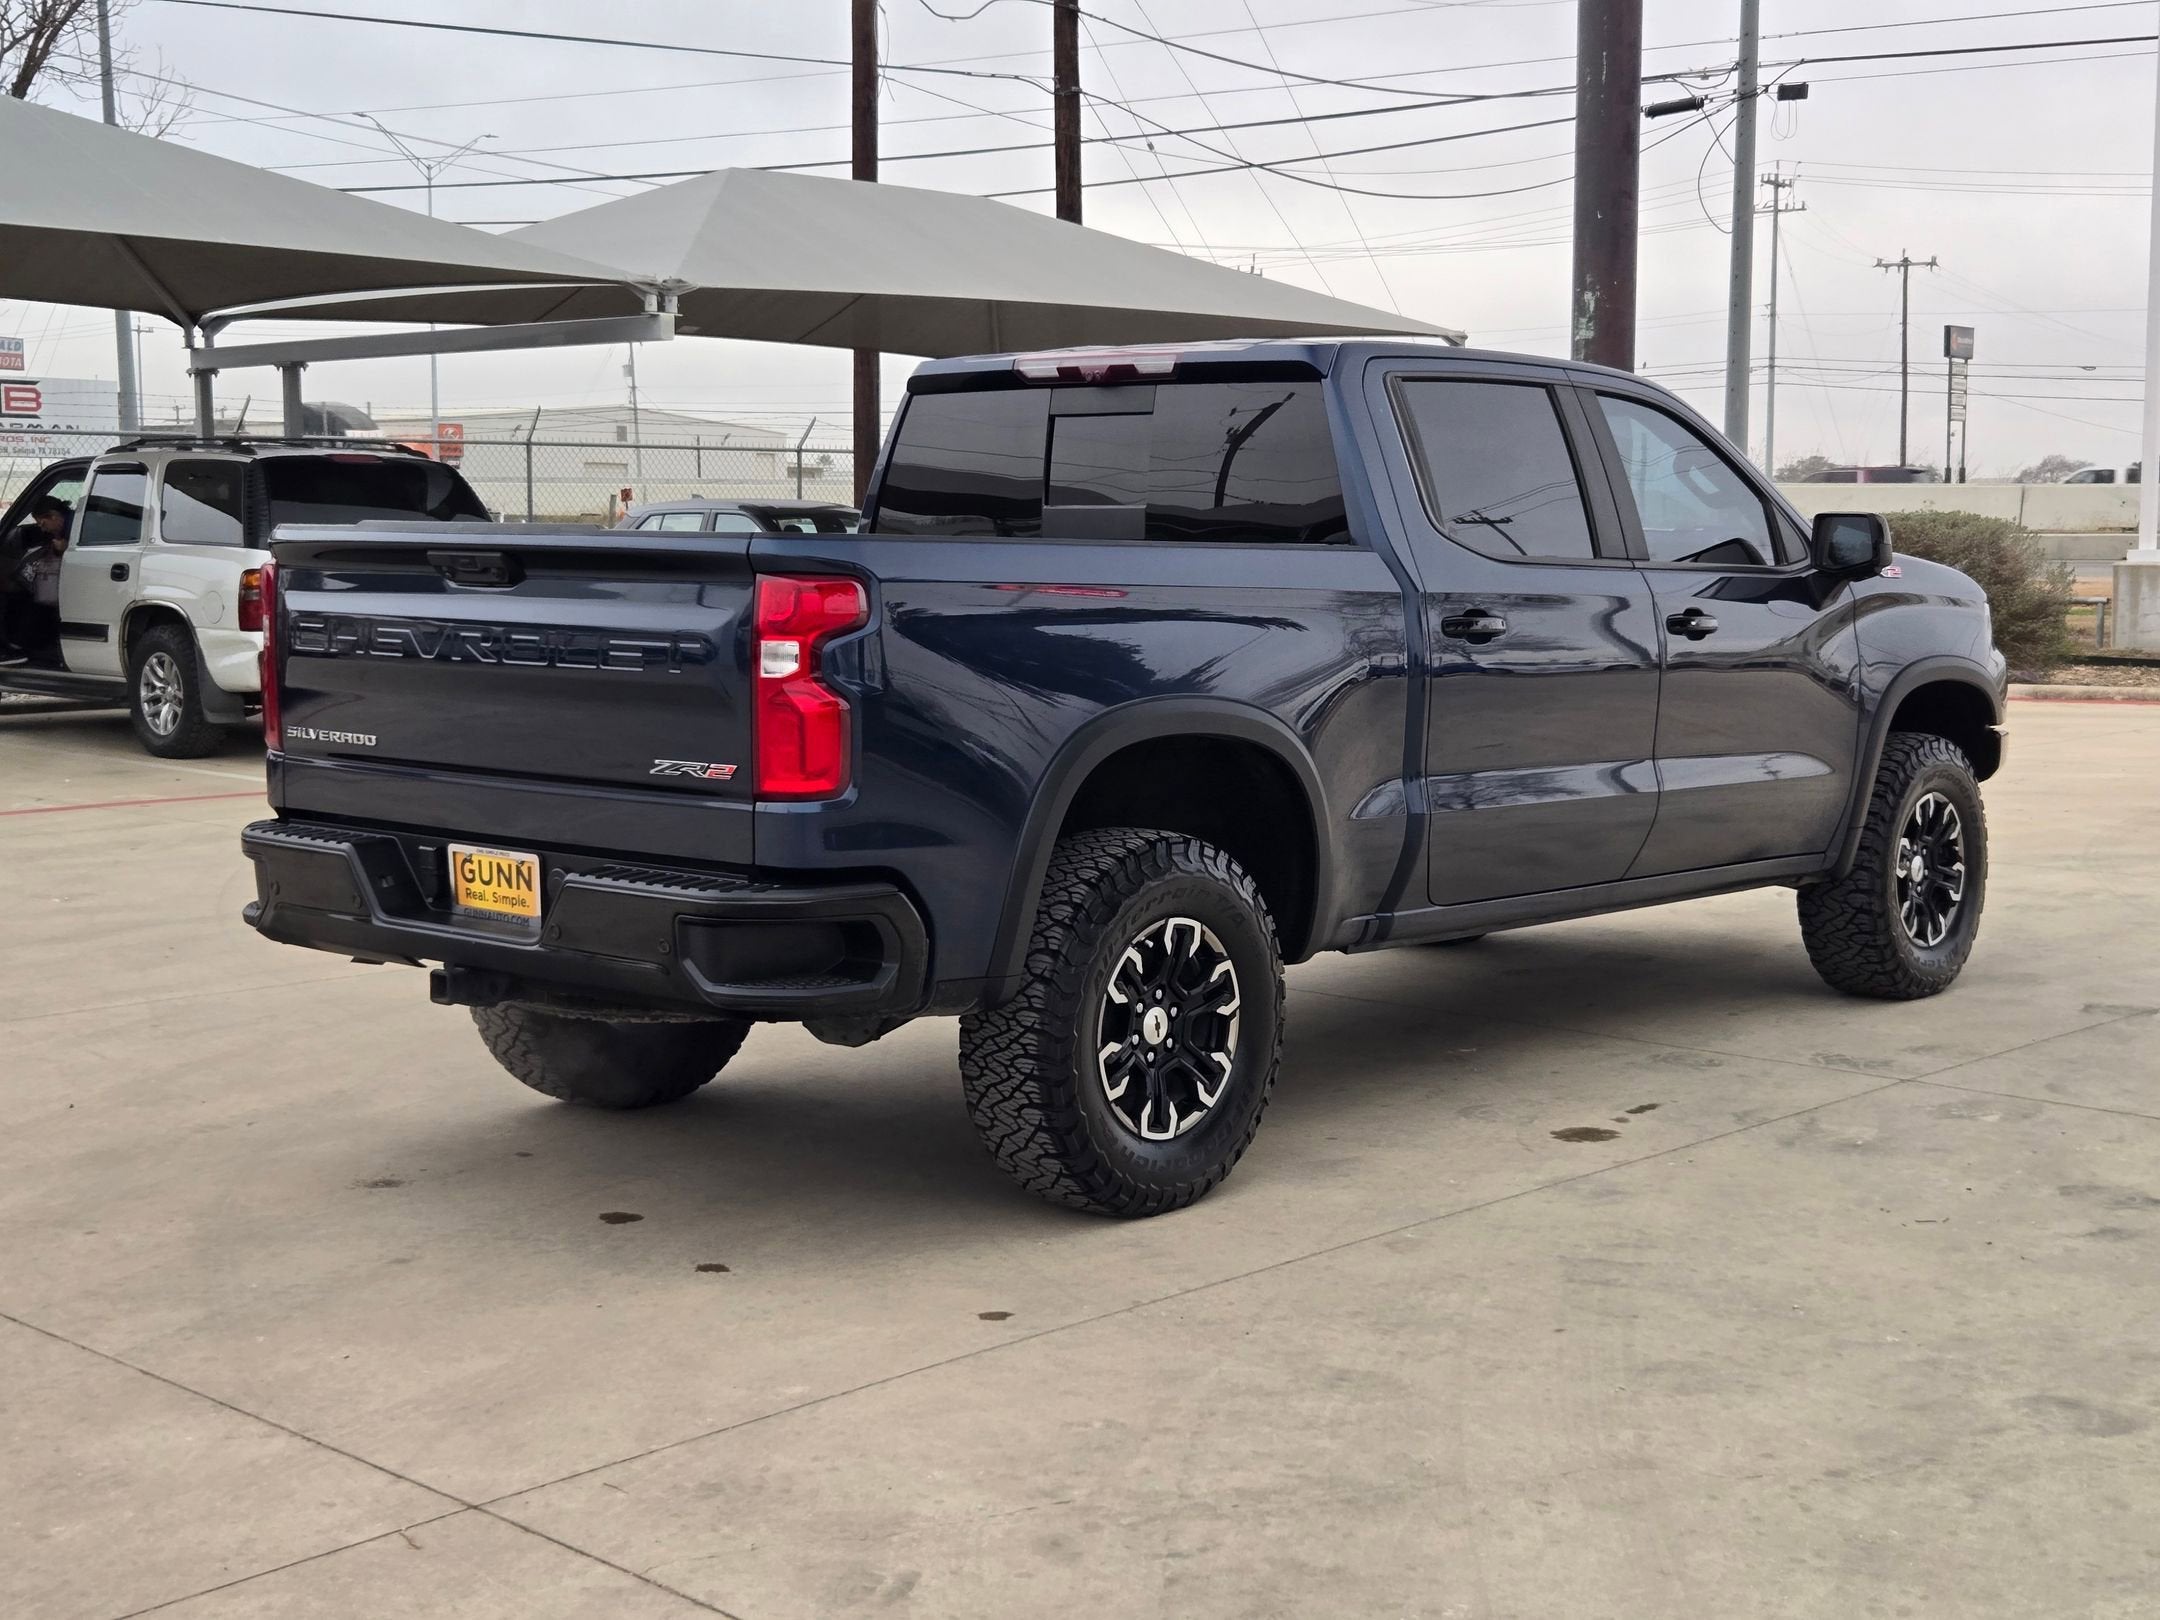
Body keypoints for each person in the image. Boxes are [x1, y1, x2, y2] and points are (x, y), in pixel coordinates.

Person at [0, 496, 71, 666]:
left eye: (42, 523)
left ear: (54, 516)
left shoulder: (73, 526)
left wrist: (64, 549)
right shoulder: (66, 524)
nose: (42, 528)